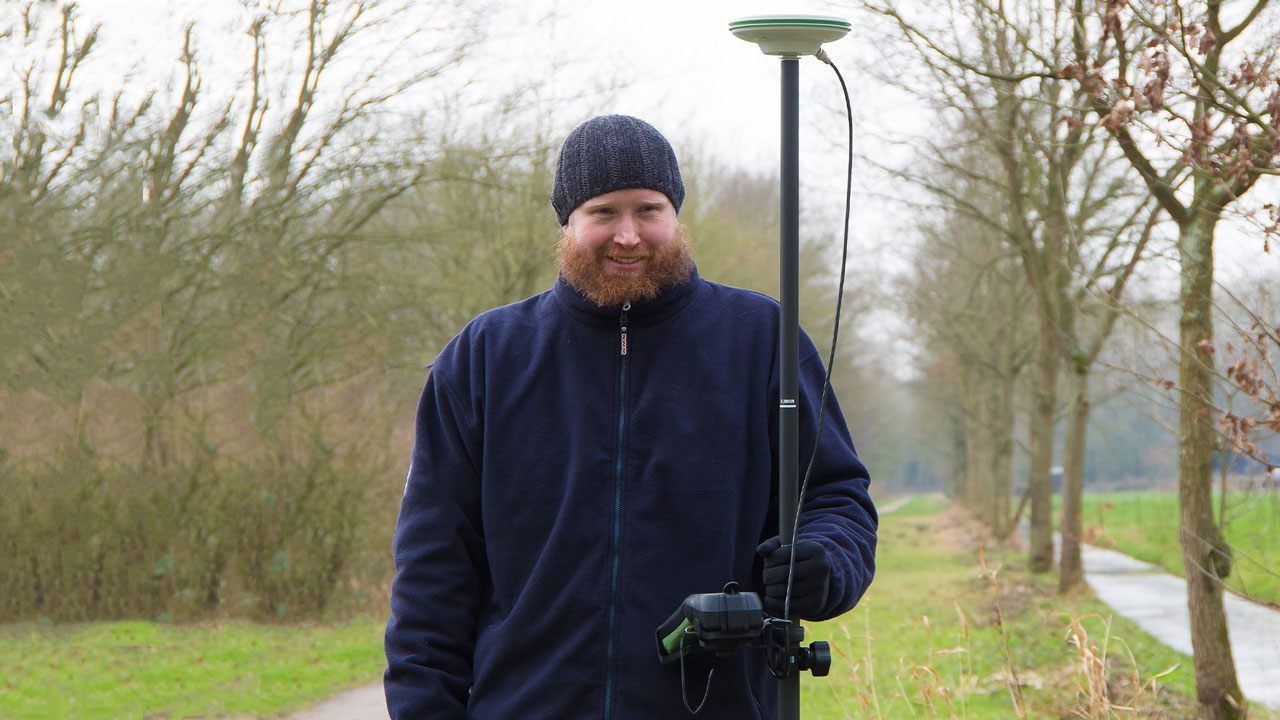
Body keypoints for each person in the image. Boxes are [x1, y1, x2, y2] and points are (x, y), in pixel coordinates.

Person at [384, 114, 877, 720]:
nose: (628, 235)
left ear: (676, 217)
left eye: (649, 209)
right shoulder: (484, 357)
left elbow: (836, 494)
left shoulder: (761, 341)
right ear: (567, 221)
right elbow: (434, 567)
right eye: (603, 213)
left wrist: (826, 562)